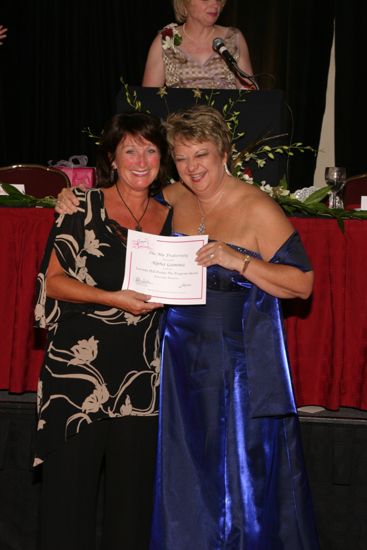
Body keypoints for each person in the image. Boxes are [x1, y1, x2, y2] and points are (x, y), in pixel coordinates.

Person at [56, 105, 320, 549]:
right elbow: (123, 191)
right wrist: (72, 195)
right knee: (182, 473)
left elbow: (303, 285)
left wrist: (238, 260)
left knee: (232, 477)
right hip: (174, 358)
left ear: (224, 154)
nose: (192, 167)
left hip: (231, 365)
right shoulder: (176, 196)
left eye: (202, 155)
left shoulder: (257, 208)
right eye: (181, 157)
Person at [34, 111, 172, 550]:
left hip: (142, 382)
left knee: (131, 514)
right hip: (76, 377)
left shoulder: (175, 217)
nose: (141, 158)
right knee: (66, 508)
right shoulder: (81, 204)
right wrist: (115, 298)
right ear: (112, 158)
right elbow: (53, 283)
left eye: (151, 149)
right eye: (130, 148)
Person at [142, 0, 255, 89]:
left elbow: (249, 96)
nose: (215, 4)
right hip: (181, 118)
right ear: (185, 3)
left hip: (225, 118)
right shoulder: (165, 41)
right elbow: (148, 101)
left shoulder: (234, 38)